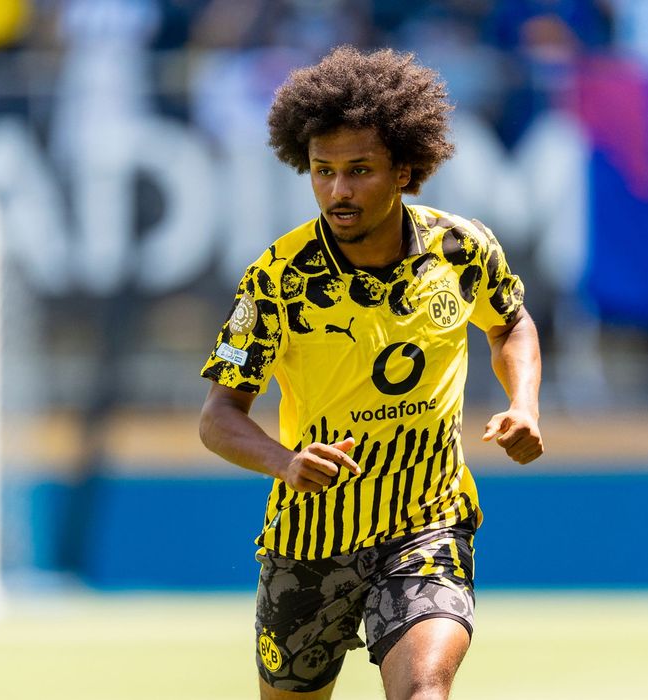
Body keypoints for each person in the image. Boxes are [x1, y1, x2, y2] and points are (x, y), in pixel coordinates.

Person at [199, 45, 544, 700]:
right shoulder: (277, 279)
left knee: (423, 690)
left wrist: (523, 402)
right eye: (323, 171)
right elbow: (219, 417)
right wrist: (285, 462)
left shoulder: (461, 249)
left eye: (359, 170)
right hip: (310, 539)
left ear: (404, 170)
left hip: (428, 523)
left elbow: (510, 323)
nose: (339, 191)